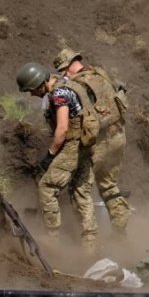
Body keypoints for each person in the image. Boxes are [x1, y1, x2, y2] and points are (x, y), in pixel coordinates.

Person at [16, 62, 98, 249]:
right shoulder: (66, 85)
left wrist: (50, 155)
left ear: (40, 83)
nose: (31, 94)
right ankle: (90, 244)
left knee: (47, 187)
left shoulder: (59, 94)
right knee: (81, 192)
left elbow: (62, 129)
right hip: (85, 146)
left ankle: (52, 240)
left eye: (31, 90)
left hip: (72, 146)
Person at [53, 49, 131, 232]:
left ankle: (89, 241)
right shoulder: (101, 73)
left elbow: (80, 118)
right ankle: (120, 234)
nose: (63, 75)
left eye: (63, 70)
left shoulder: (77, 86)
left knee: (80, 188)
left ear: (70, 65)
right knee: (110, 186)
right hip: (118, 136)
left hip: (100, 142)